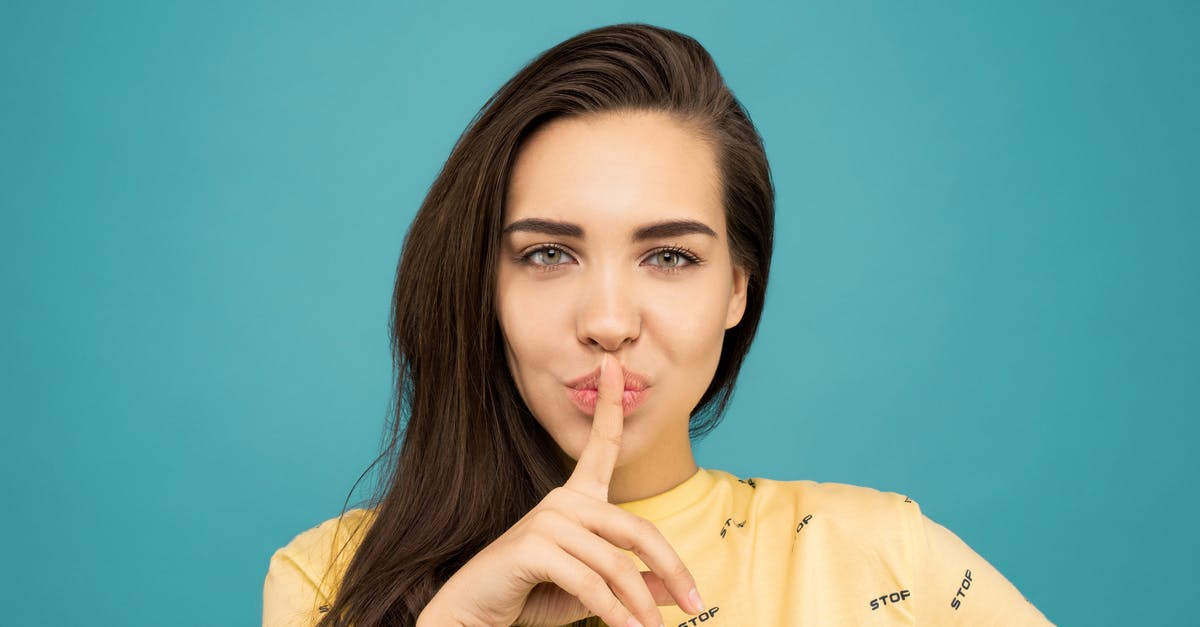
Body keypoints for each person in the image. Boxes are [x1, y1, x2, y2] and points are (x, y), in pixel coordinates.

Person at [262, 22, 1054, 627]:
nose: (608, 322)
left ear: (737, 289)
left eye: (670, 256)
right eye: (547, 253)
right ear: (485, 287)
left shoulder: (888, 559)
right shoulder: (328, 580)